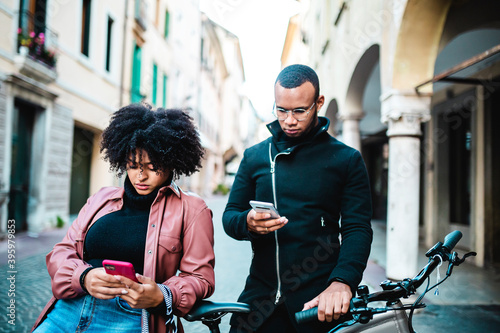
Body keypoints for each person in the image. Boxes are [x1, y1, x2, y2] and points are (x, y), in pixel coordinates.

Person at [32, 104, 215, 333]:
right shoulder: (101, 198)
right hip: (70, 309)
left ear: (172, 163)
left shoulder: (193, 209)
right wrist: (84, 276)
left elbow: (201, 278)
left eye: (152, 167)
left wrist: (163, 295)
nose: (141, 176)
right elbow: (62, 251)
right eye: (133, 165)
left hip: (131, 316)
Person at [223, 64, 373, 332]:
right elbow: (229, 216)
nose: (289, 120)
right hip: (260, 300)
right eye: (281, 110)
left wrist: (342, 281)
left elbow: (357, 228)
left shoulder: (347, 159)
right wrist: (247, 222)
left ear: (319, 103)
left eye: (299, 111)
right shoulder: (254, 156)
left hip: (318, 301)